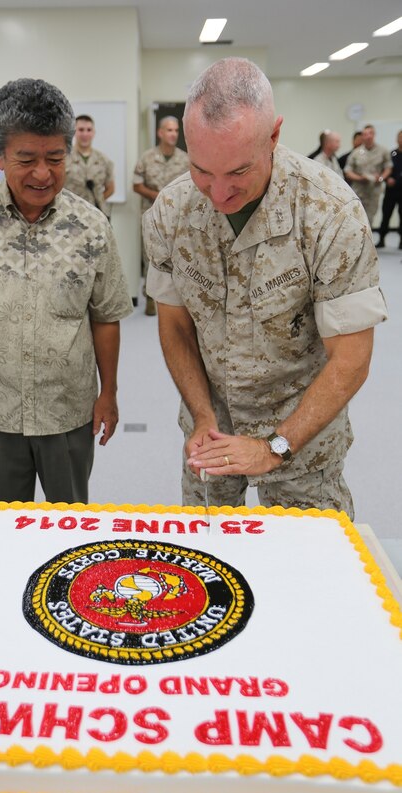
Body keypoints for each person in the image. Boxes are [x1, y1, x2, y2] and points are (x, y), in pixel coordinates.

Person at [143, 57, 387, 519]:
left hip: (304, 434)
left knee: (309, 569)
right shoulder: (171, 211)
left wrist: (276, 446)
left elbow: (352, 358)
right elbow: (174, 325)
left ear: (273, 136)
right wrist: (201, 413)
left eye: (237, 172)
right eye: (201, 170)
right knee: (208, 567)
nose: (217, 194)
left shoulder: (329, 213)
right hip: (211, 431)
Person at [0, 78, 132, 505]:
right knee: (3, 529)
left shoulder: (93, 226)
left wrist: (108, 393)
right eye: (26, 159)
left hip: (68, 407)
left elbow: (106, 317)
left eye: (55, 158)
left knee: (70, 524)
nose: (43, 173)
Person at [133, 116, 189, 315]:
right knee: (151, 257)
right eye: (169, 130)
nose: (173, 134)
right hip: (151, 216)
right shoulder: (147, 158)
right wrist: (159, 196)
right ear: (160, 133)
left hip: (177, 219)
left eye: (176, 130)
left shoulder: (185, 159)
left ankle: (177, 298)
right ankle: (150, 297)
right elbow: (137, 185)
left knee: (177, 257)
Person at [64, 114, 115, 219]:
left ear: (94, 133)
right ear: (74, 132)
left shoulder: (104, 160)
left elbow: (111, 188)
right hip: (69, 214)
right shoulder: (63, 158)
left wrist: (96, 201)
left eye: (89, 130)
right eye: (81, 130)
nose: (85, 134)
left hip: (96, 214)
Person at [344, 124, 392, 228]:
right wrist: (360, 178)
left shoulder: (383, 151)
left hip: (374, 191)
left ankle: (367, 242)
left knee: (370, 219)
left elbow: (388, 167)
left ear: (374, 135)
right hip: (359, 191)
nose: (368, 136)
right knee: (356, 219)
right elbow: (348, 171)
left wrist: (381, 178)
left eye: (370, 133)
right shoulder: (355, 153)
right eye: (365, 134)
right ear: (363, 136)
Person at [376, 130, 402, 250]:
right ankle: (381, 238)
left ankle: (401, 241)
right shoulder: (391, 154)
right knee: (386, 214)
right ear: (397, 139)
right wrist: (387, 180)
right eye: (400, 138)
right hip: (391, 190)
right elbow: (384, 170)